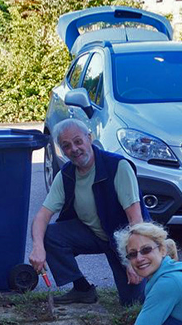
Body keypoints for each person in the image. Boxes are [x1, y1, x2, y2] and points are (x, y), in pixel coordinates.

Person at [29, 119, 151, 306]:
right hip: (94, 233)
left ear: (89, 138)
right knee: (49, 234)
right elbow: (42, 216)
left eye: (78, 141)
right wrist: (38, 247)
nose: (74, 149)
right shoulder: (66, 175)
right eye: (66, 146)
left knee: (133, 303)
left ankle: (155, 279)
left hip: (125, 239)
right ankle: (82, 289)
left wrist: (134, 260)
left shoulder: (118, 167)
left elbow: (135, 220)